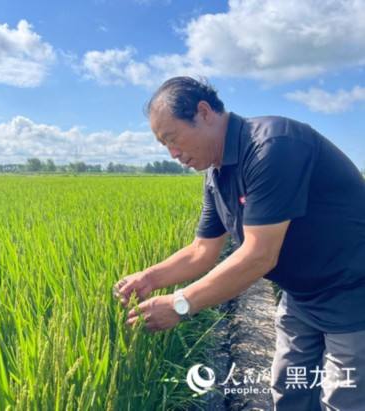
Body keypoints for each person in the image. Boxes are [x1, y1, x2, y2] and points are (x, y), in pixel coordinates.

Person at [114, 76, 365, 410]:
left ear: (203, 113)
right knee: (290, 391)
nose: (173, 153)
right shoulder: (217, 174)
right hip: (302, 297)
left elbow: (259, 255)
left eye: (172, 139)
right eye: (164, 146)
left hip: (352, 293)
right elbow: (202, 250)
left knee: (343, 399)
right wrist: (149, 278)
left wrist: (180, 303)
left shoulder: (274, 147)